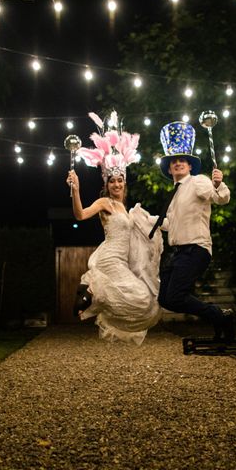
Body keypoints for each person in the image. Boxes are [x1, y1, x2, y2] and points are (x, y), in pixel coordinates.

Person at [66, 112, 163, 345]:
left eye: (120, 180)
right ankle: (91, 291)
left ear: (125, 182)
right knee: (141, 297)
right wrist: (76, 190)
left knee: (145, 300)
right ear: (107, 184)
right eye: (112, 180)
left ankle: (90, 294)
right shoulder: (105, 203)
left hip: (122, 261)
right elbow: (80, 214)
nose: (116, 184)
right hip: (110, 258)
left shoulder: (125, 208)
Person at [150, 121, 235, 342]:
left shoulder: (198, 181)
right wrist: (144, 219)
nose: (177, 164)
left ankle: (219, 316)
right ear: (169, 169)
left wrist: (218, 184)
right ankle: (219, 317)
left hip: (196, 248)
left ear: (189, 166)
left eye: (182, 161)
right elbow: (171, 223)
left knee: (177, 296)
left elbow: (220, 199)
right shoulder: (175, 193)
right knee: (165, 299)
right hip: (179, 252)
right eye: (173, 162)